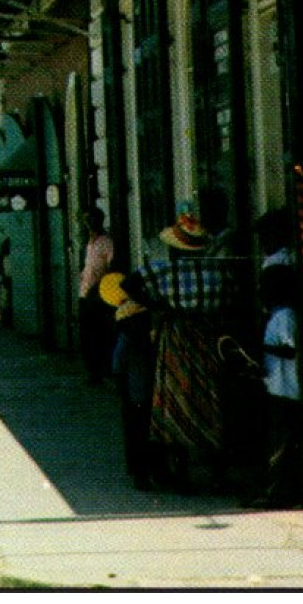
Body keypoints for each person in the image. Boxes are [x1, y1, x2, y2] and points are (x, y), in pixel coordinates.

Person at [125, 205, 229, 492]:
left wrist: (157, 304)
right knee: (209, 398)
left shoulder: (164, 271)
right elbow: (230, 297)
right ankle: (215, 471)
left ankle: (180, 469)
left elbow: (128, 283)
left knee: (174, 398)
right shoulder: (216, 272)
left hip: (176, 335)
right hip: (206, 336)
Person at [251, 239, 303, 508]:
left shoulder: (284, 316)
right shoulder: (279, 314)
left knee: (280, 446)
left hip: (287, 389)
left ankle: (276, 493)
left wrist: (261, 348)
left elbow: (290, 349)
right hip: (278, 385)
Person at [104, 272, 158, 490]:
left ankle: (139, 470)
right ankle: (142, 472)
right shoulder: (140, 315)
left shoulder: (126, 316)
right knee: (141, 428)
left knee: (135, 428)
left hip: (135, 387)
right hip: (140, 387)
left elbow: (117, 364)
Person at [78, 209, 115, 383]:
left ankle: (100, 371)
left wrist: (100, 287)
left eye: (92, 221)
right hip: (85, 293)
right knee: (86, 336)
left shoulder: (106, 242)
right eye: (87, 222)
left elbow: (111, 268)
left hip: (98, 294)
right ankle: (92, 370)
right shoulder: (89, 243)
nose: (89, 226)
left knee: (98, 335)